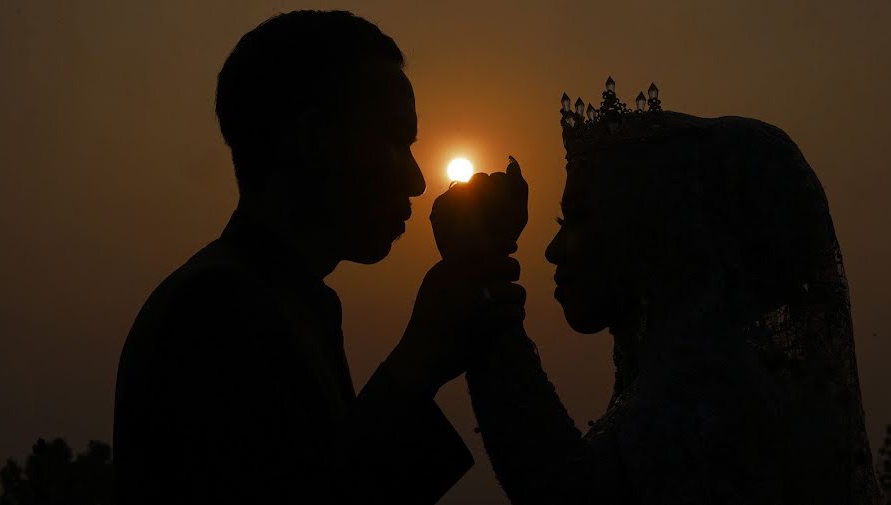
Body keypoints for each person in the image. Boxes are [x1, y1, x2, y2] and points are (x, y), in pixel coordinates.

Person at [113, 11, 522, 504]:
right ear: (312, 140)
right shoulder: (216, 308)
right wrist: (419, 358)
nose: (415, 181)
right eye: (394, 141)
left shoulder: (285, 299)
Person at [436, 111, 881, 503]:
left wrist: (481, 270)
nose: (553, 250)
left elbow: (567, 491)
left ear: (660, 233)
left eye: (579, 217)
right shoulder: (706, 377)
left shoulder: (710, 397)